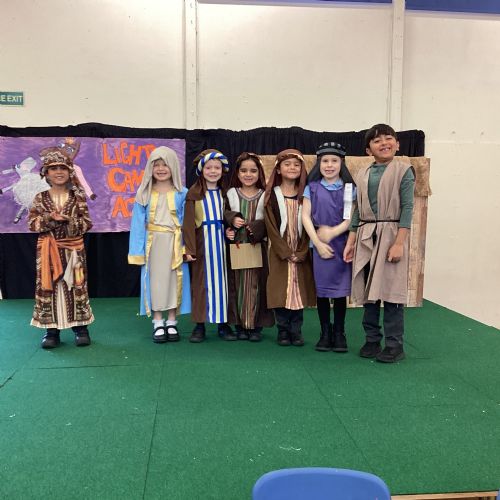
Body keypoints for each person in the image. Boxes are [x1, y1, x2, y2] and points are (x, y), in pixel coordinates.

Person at [343, 124, 415, 363]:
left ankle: (395, 345)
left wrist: (399, 243)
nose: (384, 143)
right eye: (377, 141)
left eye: (388, 138)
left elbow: (408, 208)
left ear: (397, 144)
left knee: (391, 292)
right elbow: (358, 209)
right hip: (367, 235)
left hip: (391, 234)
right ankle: (372, 340)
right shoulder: (362, 173)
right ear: (368, 150)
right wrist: (351, 240)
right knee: (369, 292)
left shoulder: (404, 171)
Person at [29, 147, 94, 348]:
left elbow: (87, 224)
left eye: (63, 168)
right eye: (53, 168)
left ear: (69, 171)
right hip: (48, 251)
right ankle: (51, 331)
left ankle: (81, 328)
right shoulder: (40, 198)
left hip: (73, 250)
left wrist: (69, 221)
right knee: (50, 287)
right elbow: (32, 224)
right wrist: (50, 218)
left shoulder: (78, 196)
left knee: (76, 285)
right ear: (46, 173)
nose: (59, 172)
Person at [128, 146, 191, 343]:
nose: (161, 169)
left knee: (174, 281)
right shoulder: (144, 193)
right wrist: (137, 251)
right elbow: (137, 224)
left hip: (175, 243)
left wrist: (186, 247)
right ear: (150, 168)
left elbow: (188, 223)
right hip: (153, 243)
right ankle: (157, 321)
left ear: (173, 166)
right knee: (155, 282)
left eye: (165, 164)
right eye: (157, 165)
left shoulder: (183, 193)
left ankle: (171, 321)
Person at [302, 142, 355, 352]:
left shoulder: (349, 189)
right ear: (319, 163)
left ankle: (339, 332)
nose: (329, 165)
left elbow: (350, 218)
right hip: (319, 245)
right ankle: (325, 332)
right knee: (322, 291)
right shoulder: (312, 188)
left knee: (340, 291)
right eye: (325, 161)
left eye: (334, 161)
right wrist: (317, 242)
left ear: (342, 163)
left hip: (342, 245)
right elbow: (305, 216)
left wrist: (332, 232)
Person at [182, 149, 235, 342]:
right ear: (201, 170)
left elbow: (230, 216)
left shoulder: (226, 193)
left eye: (217, 168)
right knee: (200, 284)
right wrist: (189, 248)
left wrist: (230, 230)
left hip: (222, 245)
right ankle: (199, 324)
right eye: (209, 168)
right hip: (202, 244)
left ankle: (223, 324)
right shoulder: (193, 194)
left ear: (223, 170)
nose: (213, 171)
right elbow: (188, 224)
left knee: (224, 284)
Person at [264, 149, 316, 346]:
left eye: (296, 165)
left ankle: (296, 330)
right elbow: (270, 226)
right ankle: (283, 330)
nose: (292, 168)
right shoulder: (272, 195)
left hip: (301, 248)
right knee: (280, 290)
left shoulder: (306, 194)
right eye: (287, 164)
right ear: (278, 169)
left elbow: (311, 223)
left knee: (298, 291)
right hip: (280, 251)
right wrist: (284, 251)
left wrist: (302, 251)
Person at [225, 152, 274, 341]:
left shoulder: (265, 195)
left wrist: (255, 228)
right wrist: (230, 224)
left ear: (259, 173)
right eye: (244, 170)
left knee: (257, 285)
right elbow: (223, 215)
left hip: (256, 247)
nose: (248, 174)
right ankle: (239, 325)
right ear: (237, 173)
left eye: (253, 171)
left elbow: (271, 222)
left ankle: (255, 326)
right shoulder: (231, 194)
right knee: (237, 285)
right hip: (236, 248)